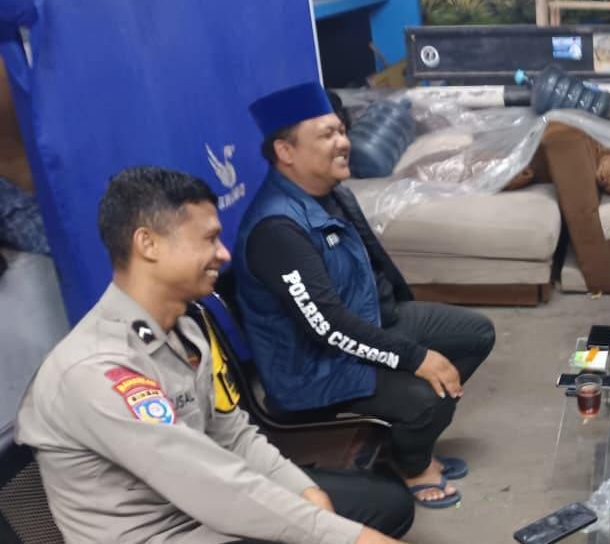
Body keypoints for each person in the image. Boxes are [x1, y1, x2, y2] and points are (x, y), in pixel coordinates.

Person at [16, 166, 412, 544]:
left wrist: (306, 492)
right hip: (166, 532)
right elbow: (208, 484)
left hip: (205, 513)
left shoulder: (185, 329)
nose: (223, 254)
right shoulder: (95, 370)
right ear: (148, 244)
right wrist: (343, 536)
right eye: (208, 239)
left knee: (385, 505)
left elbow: (232, 434)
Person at [233, 82, 495, 509]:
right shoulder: (277, 229)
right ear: (285, 151)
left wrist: (404, 332)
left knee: (474, 334)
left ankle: (401, 440)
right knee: (428, 397)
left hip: (372, 320)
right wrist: (414, 358)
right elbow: (327, 326)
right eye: (327, 135)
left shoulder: (332, 193)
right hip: (315, 365)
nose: (343, 143)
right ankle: (412, 464)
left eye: (341, 131)